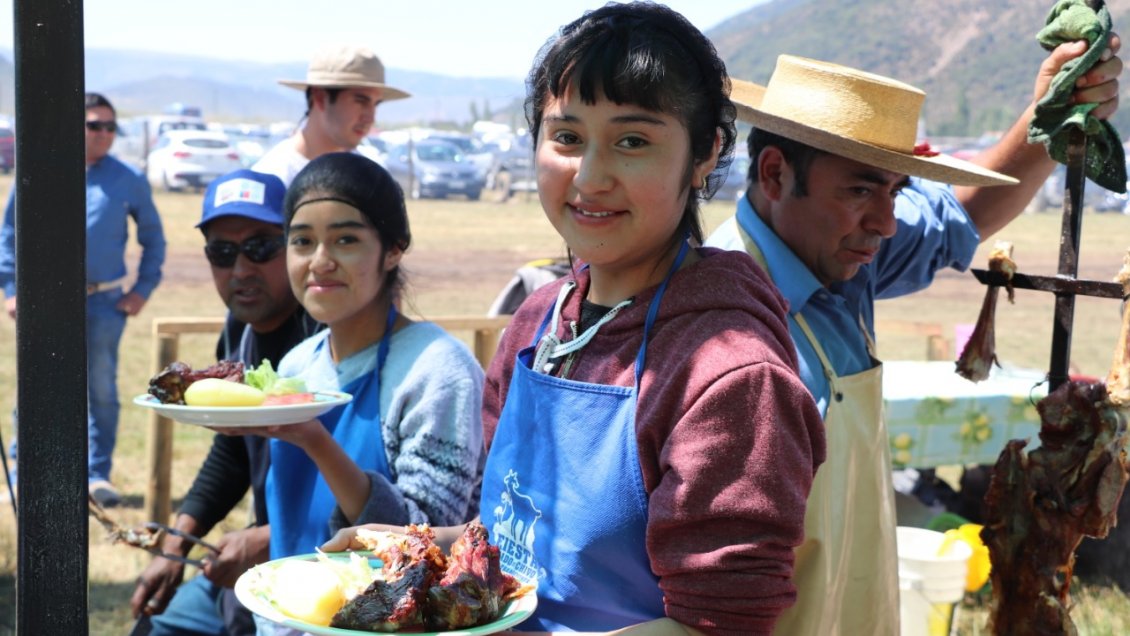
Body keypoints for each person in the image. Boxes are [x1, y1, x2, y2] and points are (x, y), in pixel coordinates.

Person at [328, 4, 825, 634]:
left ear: (706, 154)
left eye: (633, 141)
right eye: (566, 137)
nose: (589, 178)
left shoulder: (732, 377)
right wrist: (413, 547)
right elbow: (517, 539)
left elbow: (722, 624)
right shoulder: (537, 322)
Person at [704, 39, 1123, 634]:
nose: (886, 222)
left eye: (895, 191)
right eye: (859, 190)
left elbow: (962, 214)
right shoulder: (718, 318)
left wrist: (1046, 113)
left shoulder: (844, 252)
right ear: (775, 173)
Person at [226, 152, 485, 566]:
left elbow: (425, 543)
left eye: (346, 240)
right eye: (302, 241)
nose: (320, 262)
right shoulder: (297, 365)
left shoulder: (437, 370)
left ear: (393, 250)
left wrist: (314, 437)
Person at [129, 170, 321, 635]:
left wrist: (268, 540)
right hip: (253, 560)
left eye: (260, 247)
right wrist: (176, 543)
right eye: (222, 251)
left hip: (318, 567)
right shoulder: (240, 329)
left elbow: (374, 486)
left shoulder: (324, 340)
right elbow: (236, 450)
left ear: (294, 246)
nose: (240, 269)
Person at [0, 92, 167, 507]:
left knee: (101, 391)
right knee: (36, 385)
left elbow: (154, 240)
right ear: (76, 127)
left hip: (104, 304)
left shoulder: (128, 179)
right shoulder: (41, 172)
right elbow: (9, 235)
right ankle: (23, 475)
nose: (105, 134)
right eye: (95, 125)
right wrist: (11, 289)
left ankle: (96, 477)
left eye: (111, 127)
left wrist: (141, 291)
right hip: (46, 305)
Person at [253, 44, 410, 185]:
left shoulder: (371, 174)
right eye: (361, 100)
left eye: (376, 104)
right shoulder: (274, 179)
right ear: (320, 98)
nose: (370, 117)